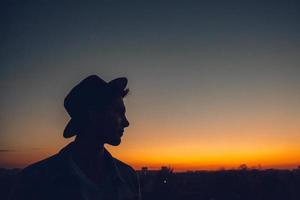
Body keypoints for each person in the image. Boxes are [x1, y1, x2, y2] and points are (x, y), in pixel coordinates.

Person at [10, 75, 141, 200]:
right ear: (94, 114)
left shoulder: (129, 177)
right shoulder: (34, 181)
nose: (126, 122)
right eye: (118, 112)